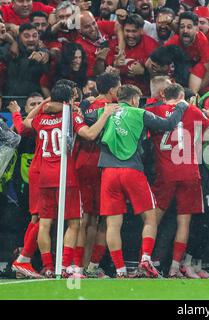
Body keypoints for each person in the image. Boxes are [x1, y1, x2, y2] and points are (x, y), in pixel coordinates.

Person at [84, 84, 187, 278]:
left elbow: (83, 116)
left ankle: (121, 271)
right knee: (150, 217)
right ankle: (146, 259)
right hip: (132, 171)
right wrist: (181, 107)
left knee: (113, 225)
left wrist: (85, 103)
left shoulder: (103, 111)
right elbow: (167, 124)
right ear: (133, 99)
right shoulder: (139, 113)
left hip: (108, 172)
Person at [20, 84, 119, 278]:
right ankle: (65, 267)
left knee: (45, 223)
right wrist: (105, 114)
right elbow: (89, 134)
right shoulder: (71, 117)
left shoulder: (41, 119)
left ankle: (49, 267)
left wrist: (44, 104)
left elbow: (26, 121)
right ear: (69, 100)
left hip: (45, 177)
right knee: (74, 223)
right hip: (66, 175)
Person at [150, 84, 209, 278]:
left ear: (164, 95)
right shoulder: (191, 110)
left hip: (165, 172)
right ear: (182, 95)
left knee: (153, 219)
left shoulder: (154, 110)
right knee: (184, 222)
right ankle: (174, 267)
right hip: (189, 172)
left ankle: (146, 260)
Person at [75, 72, 121, 278]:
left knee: (89, 218)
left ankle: (81, 266)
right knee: (94, 219)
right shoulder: (113, 109)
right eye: (119, 89)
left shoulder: (85, 106)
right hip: (99, 165)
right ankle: (85, 266)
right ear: (112, 90)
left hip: (84, 162)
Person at [8, 93, 43, 278]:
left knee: (38, 220)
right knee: (26, 219)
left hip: (41, 176)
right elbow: (14, 134)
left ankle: (34, 262)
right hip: (24, 179)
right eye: (33, 104)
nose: (37, 106)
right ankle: (22, 260)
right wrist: (16, 116)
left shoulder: (44, 122)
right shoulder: (23, 124)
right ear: (27, 108)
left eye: (39, 103)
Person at [164, 11, 209, 94]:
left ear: (197, 29)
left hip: (196, 73)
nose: (185, 31)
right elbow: (158, 58)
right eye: (182, 27)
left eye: (189, 27)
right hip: (178, 71)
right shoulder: (175, 40)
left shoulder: (201, 41)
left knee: (199, 67)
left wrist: (199, 91)